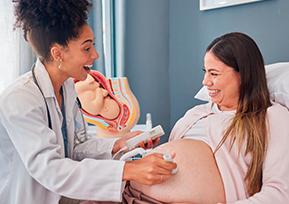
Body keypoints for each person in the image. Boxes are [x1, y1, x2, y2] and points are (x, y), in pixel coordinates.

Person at [0, 1, 177, 203]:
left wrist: (118, 145)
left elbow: (77, 146)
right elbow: (51, 170)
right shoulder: (20, 99)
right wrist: (128, 170)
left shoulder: (66, 88)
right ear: (58, 54)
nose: (95, 55)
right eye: (87, 48)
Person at [85, 32, 289, 204]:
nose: (205, 81)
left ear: (243, 74)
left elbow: (279, 192)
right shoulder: (196, 113)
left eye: (214, 74)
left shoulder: (271, 117)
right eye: (205, 72)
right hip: (127, 194)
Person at [73, 70, 140, 138]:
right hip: (106, 133)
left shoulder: (88, 91)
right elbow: (95, 109)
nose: (98, 84)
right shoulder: (82, 96)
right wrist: (99, 92)